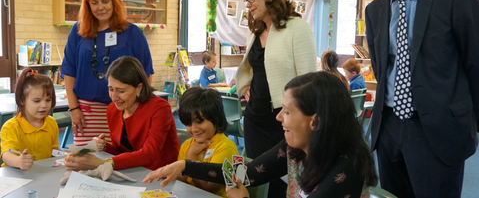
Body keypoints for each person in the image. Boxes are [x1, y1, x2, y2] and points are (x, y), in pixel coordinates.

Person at [355, 0, 479, 197]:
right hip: (389, 129)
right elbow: (383, 71)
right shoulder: (374, 11)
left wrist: (466, 121)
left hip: (438, 131)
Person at [143, 72, 378, 198]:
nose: (279, 118)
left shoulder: (346, 169)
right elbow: (245, 174)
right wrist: (185, 165)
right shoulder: (295, 149)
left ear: (315, 121)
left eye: (286, 112)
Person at [235, 0, 317, 197]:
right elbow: (255, 67)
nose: (248, 4)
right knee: (254, 179)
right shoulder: (256, 30)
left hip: (282, 121)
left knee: (281, 185)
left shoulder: (296, 28)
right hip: (254, 120)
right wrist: (246, 86)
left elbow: (309, 81)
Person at [61, 0, 154, 145]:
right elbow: (69, 71)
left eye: (105, 1)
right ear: (88, 5)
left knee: (121, 163)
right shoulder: (78, 31)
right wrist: (74, 109)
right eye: (94, 2)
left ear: (114, 2)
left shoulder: (132, 33)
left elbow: (146, 73)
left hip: (125, 111)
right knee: (84, 163)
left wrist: (138, 110)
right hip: (87, 113)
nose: (100, 7)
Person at [64, 56, 179, 171]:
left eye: (121, 91)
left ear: (139, 88)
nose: (114, 97)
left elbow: (149, 154)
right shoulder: (112, 109)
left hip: (162, 173)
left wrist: (102, 163)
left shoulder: (160, 108)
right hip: (135, 171)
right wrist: (104, 147)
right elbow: (123, 151)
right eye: (111, 89)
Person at [177, 87, 239, 197]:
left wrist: (191, 157)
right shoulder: (188, 144)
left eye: (199, 122)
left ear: (215, 118)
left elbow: (208, 190)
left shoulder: (225, 147)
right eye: (188, 124)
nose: (194, 129)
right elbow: (180, 181)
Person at [1, 68, 59, 170]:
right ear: (22, 100)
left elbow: (53, 150)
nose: (44, 105)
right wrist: (18, 161)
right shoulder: (11, 127)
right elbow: (6, 155)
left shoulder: (51, 123)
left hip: (41, 174)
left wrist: (63, 154)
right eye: (37, 101)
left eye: (48, 100)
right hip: (15, 176)